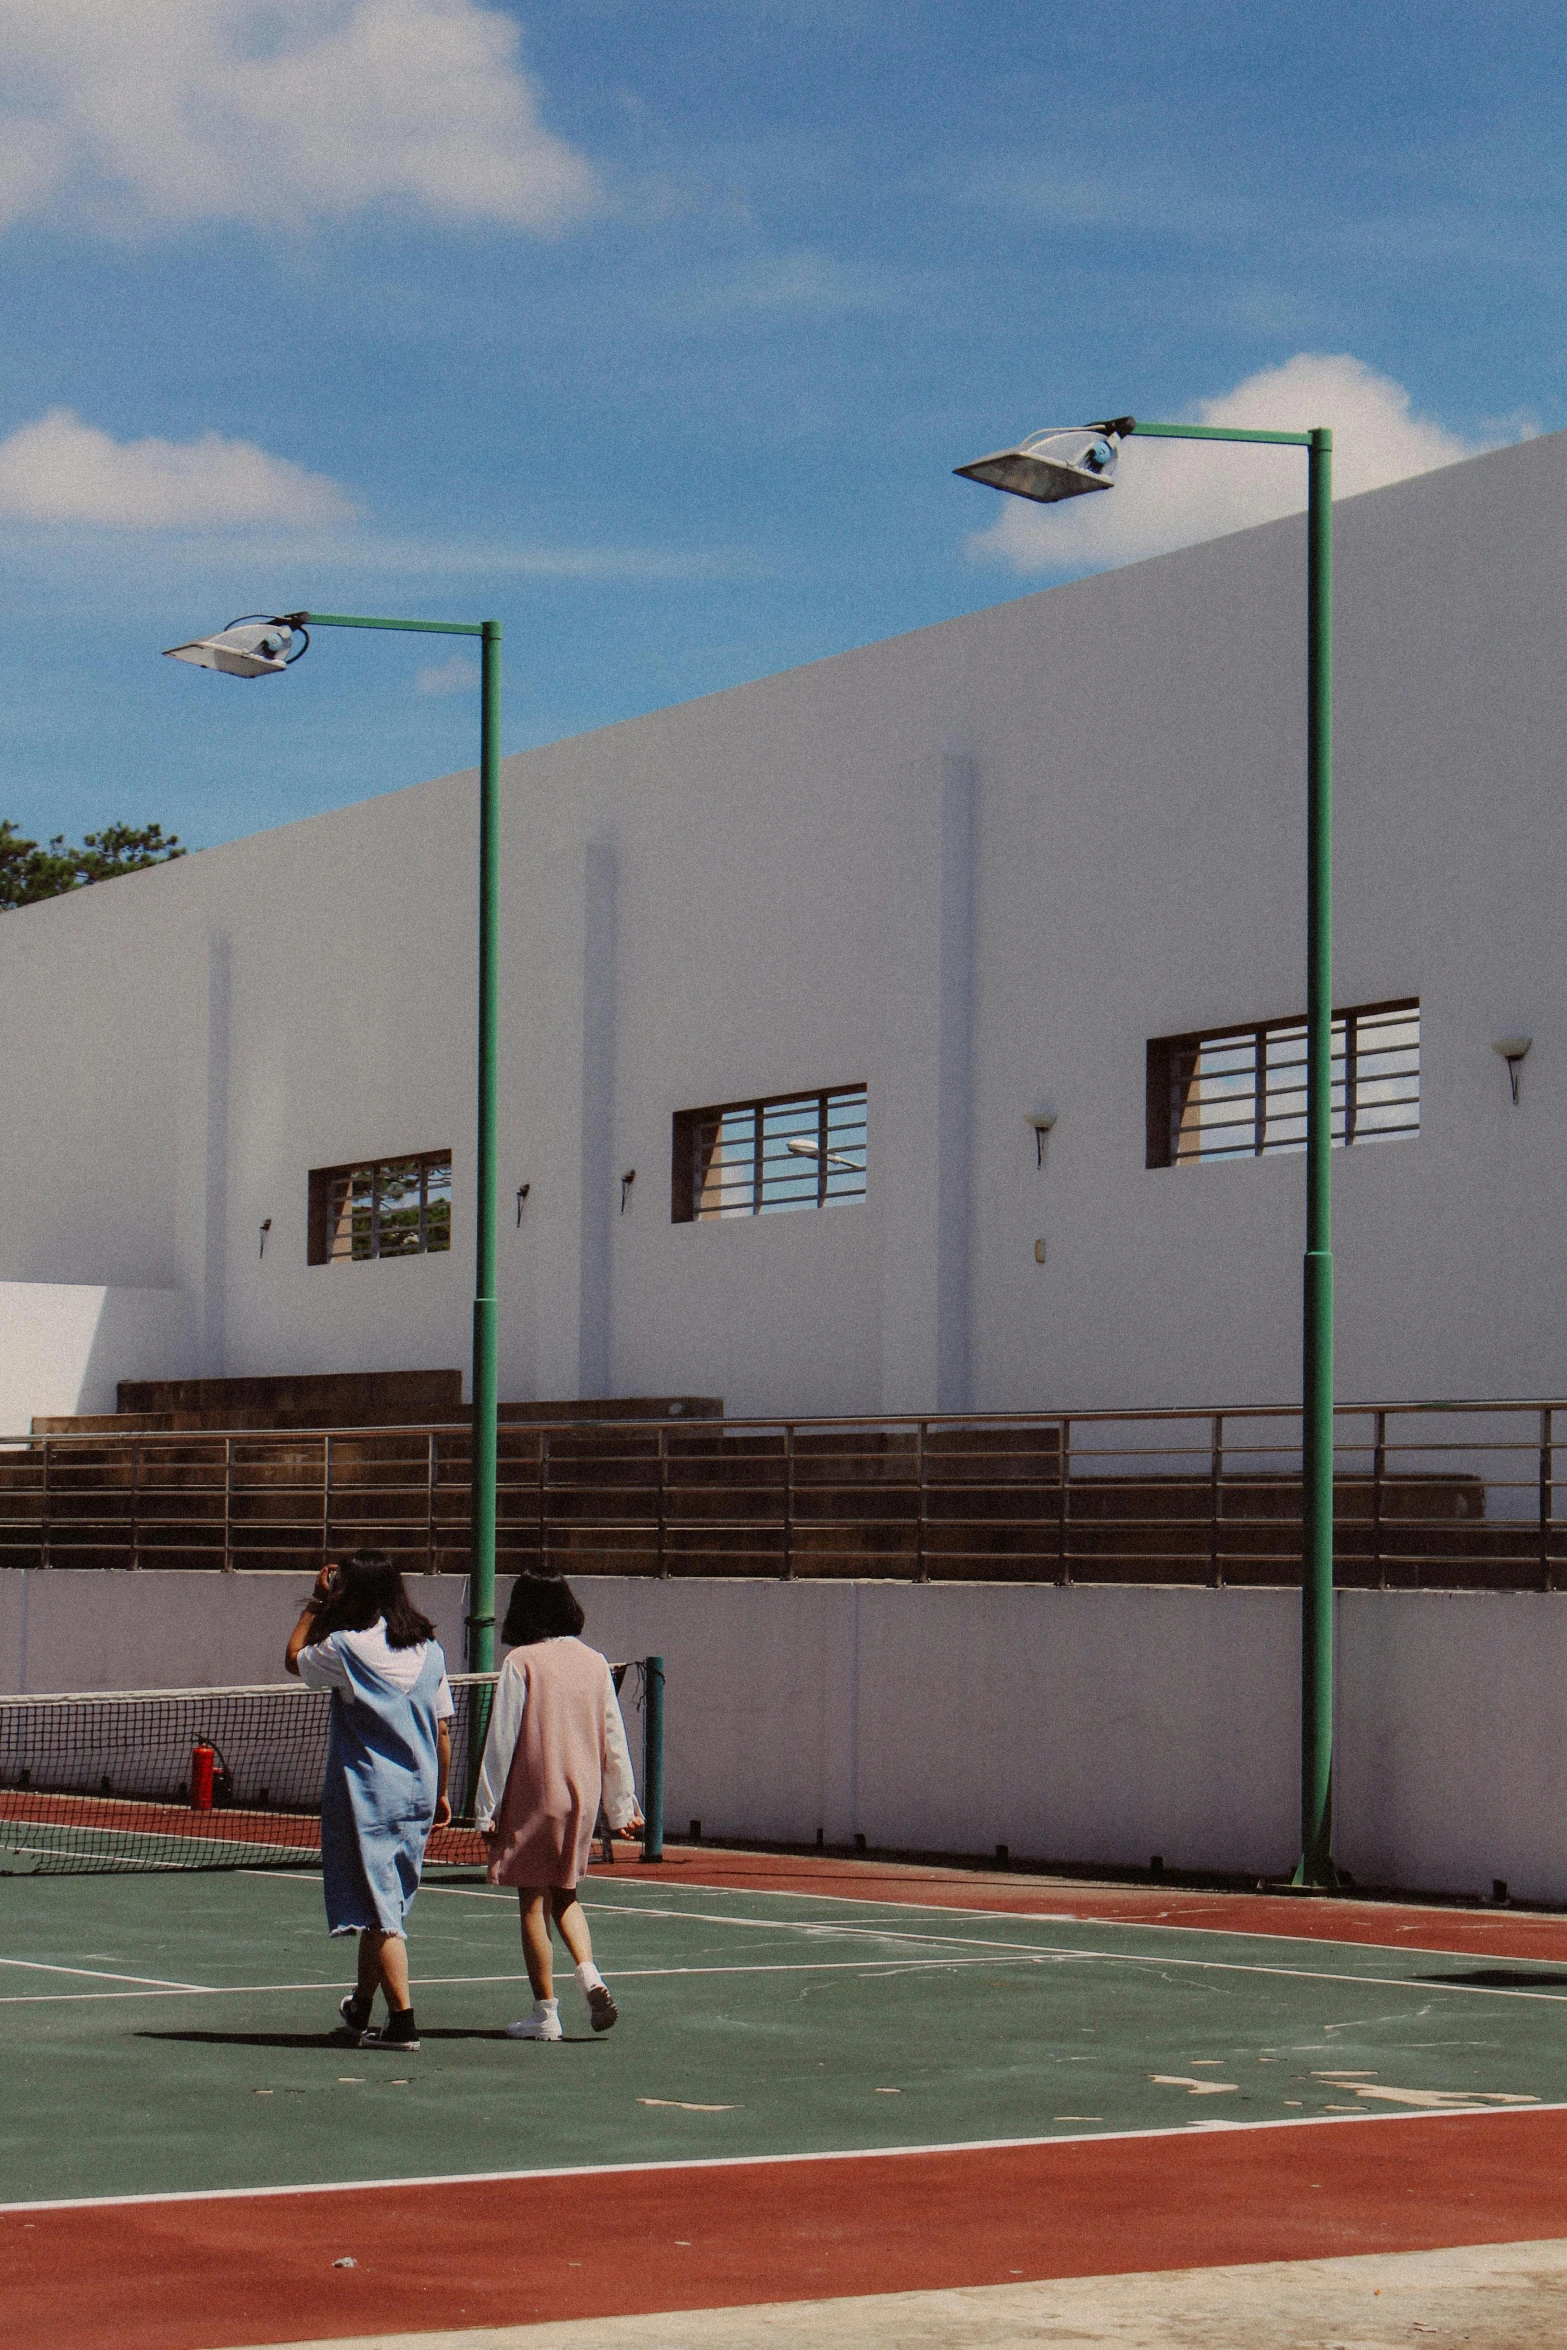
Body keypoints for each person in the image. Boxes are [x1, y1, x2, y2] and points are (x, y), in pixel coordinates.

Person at [285, 1548, 453, 2053]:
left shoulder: (346, 1647)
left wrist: (315, 1605)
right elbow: (442, 1730)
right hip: (418, 1793)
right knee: (382, 1901)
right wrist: (442, 1792)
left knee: (383, 1914)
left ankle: (403, 2023)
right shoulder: (431, 1649)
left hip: (370, 1798)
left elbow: (292, 1658)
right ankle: (361, 2006)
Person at [474, 1571, 642, 2040]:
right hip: (581, 1798)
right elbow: (614, 1739)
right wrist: (621, 1808)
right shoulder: (595, 1662)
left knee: (532, 1901)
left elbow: (501, 1739)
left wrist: (485, 1808)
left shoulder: (520, 1661)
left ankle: (545, 2013)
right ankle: (589, 1972)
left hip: (535, 1796)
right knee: (565, 1893)